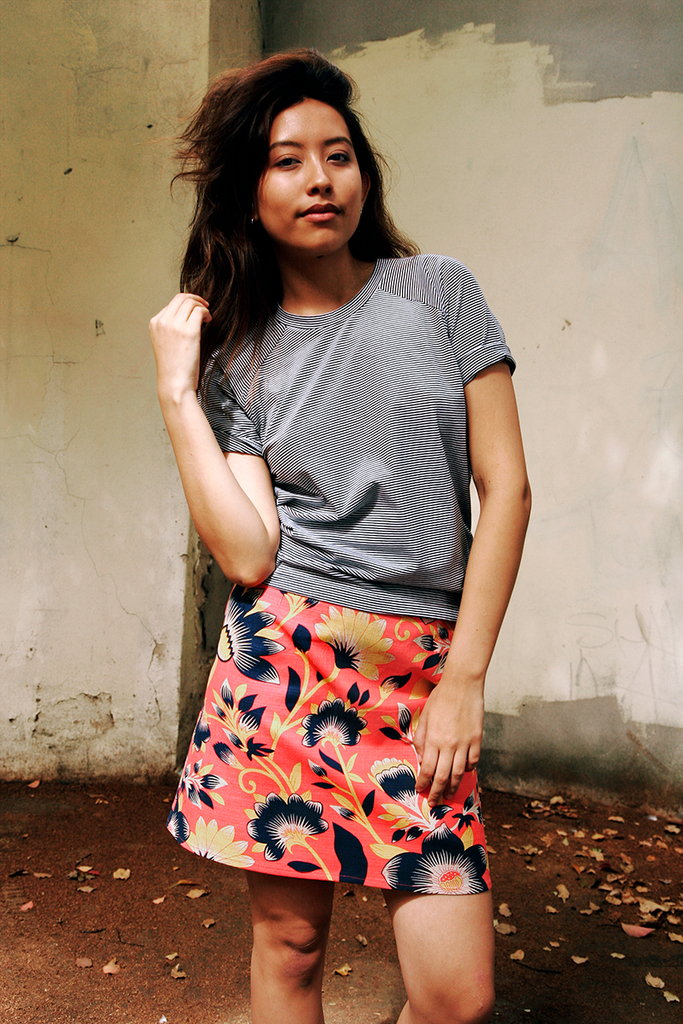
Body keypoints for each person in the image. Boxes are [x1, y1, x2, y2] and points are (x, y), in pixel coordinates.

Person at [150, 49, 530, 1024]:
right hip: (287, 671)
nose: (320, 177)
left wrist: (463, 678)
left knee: (455, 994)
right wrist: (176, 394)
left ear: (363, 170)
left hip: (422, 675)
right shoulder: (236, 352)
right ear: (245, 193)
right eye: (286, 160)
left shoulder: (437, 294)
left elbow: (507, 489)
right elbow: (246, 554)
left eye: (338, 154)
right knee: (290, 946)